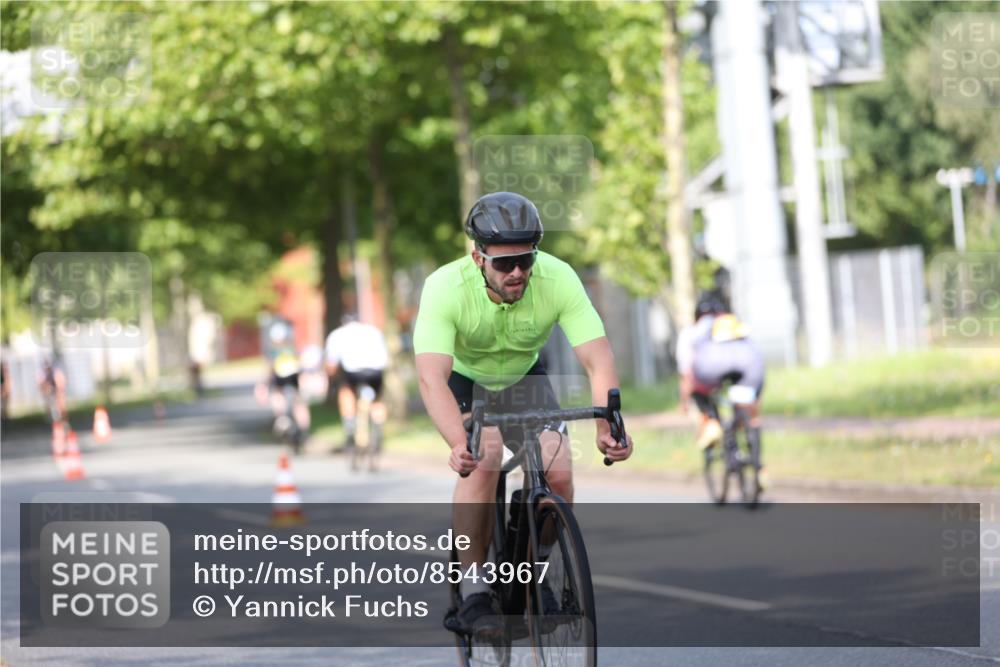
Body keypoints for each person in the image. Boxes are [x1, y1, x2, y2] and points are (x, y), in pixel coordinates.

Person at [413, 191, 633, 635]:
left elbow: (598, 357)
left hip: (524, 379)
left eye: (526, 260)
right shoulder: (444, 286)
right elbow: (431, 377)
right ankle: (474, 590)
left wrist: (607, 424)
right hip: (467, 381)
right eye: (504, 263)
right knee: (485, 456)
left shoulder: (557, 278)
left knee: (561, 473)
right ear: (478, 257)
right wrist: (459, 443)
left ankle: (532, 575)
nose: (517, 272)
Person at [676, 292, 765, 456]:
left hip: (711, 365)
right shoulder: (734, 322)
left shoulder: (690, 332)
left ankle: (712, 423)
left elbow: (687, 373)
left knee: (700, 392)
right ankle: (757, 463)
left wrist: (685, 400)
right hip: (749, 363)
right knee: (748, 411)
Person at [324, 314, 390, 450]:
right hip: (376, 370)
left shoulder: (337, 335)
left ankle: (349, 425)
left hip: (353, 371)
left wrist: (331, 379)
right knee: (377, 399)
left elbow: (331, 365)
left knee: (346, 392)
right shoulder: (373, 331)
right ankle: (378, 428)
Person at [256, 320, 310, 444]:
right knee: (299, 403)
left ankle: (282, 418)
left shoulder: (273, 351)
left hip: (280, 377)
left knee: (277, 394)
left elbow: (268, 370)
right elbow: (302, 365)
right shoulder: (293, 348)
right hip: (294, 377)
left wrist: (262, 385)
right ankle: (304, 428)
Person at [37, 356, 68, 423]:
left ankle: (64, 418)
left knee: (61, 402)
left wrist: (58, 392)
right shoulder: (43, 374)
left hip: (57, 389)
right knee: (48, 402)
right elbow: (41, 384)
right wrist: (46, 390)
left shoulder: (56, 372)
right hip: (49, 391)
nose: (47, 369)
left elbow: (60, 384)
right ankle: (51, 419)